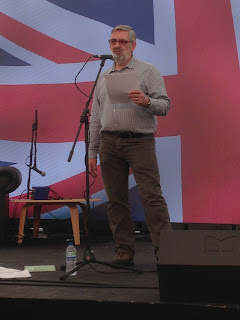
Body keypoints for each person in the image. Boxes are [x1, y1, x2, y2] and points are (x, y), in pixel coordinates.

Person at [88, 25, 172, 265]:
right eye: (113, 41)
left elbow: (165, 105)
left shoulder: (147, 71)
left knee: (152, 198)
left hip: (140, 142)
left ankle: (166, 253)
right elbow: (95, 117)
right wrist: (92, 152)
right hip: (109, 142)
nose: (117, 45)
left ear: (133, 46)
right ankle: (124, 251)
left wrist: (147, 102)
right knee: (115, 200)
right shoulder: (104, 76)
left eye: (123, 42)